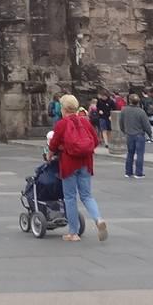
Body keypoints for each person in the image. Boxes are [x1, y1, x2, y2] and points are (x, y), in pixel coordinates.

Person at [49, 93, 107, 243]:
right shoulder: (85, 121)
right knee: (87, 196)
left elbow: (53, 144)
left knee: (70, 198)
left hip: (69, 164)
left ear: (63, 108)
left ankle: (73, 233)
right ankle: (98, 219)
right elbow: (95, 140)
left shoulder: (62, 124)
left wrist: (51, 154)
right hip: (86, 163)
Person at [120, 93, 150, 179]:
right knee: (140, 154)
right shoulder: (141, 111)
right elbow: (146, 124)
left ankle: (128, 172)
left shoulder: (124, 110)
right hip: (139, 134)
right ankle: (138, 173)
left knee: (130, 153)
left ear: (129, 101)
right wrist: (149, 133)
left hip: (129, 134)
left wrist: (124, 130)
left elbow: (121, 122)